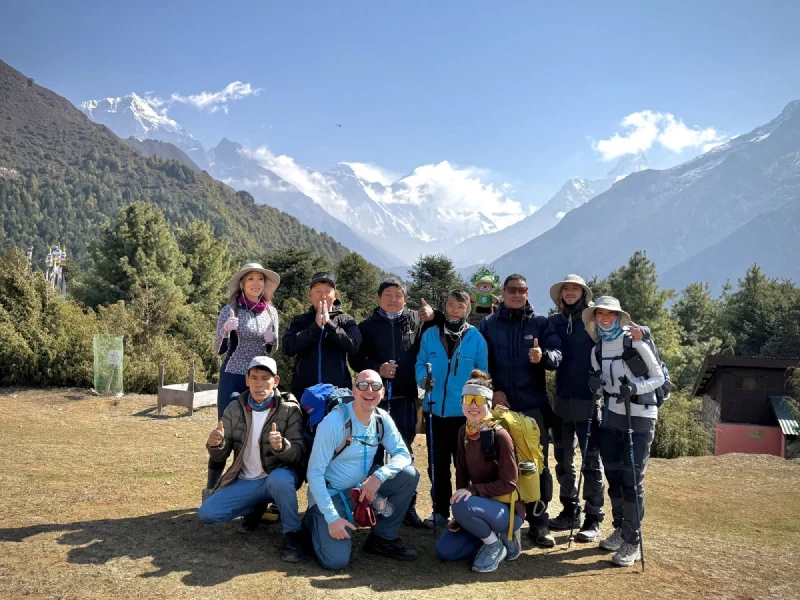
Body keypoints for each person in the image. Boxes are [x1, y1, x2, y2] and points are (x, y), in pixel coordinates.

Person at [303, 369, 420, 570]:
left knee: (409, 475)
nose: (369, 391)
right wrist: (332, 518)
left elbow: (403, 455)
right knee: (336, 561)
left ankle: (382, 539)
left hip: (362, 489)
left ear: (382, 392)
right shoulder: (333, 422)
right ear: (354, 391)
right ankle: (314, 521)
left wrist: (379, 476)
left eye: (375, 386)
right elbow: (314, 474)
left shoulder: (382, 418)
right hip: (331, 494)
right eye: (363, 385)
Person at [479, 273, 562, 547]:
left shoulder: (541, 323)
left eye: (522, 290)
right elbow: (481, 362)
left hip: (532, 406)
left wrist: (544, 358)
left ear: (527, 293)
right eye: (512, 289)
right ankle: (501, 521)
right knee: (497, 462)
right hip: (500, 407)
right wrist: (492, 390)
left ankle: (539, 523)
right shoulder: (488, 324)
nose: (517, 294)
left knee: (536, 466)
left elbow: (557, 355)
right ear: (502, 292)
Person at [198, 356, 306, 563]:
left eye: (265, 378)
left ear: (276, 381)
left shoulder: (289, 409)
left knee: (281, 480)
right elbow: (221, 455)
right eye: (254, 377)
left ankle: (293, 535)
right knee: (207, 514)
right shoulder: (234, 408)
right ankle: (256, 505)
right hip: (245, 480)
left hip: (275, 477)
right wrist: (215, 445)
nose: (259, 384)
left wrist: (282, 446)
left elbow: (299, 454)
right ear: (246, 380)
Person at [584, 296, 664, 567]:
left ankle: (633, 539)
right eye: (600, 315)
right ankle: (620, 529)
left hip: (640, 416)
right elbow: (602, 382)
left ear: (619, 317)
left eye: (610, 314)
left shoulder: (635, 342)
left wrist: (635, 389)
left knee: (632, 478)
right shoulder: (597, 349)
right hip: (612, 416)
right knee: (614, 475)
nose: (605, 319)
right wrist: (595, 384)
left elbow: (658, 378)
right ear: (595, 318)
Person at [349, 277, 435, 527]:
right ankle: (374, 504)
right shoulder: (367, 326)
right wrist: (377, 368)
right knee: (372, 454)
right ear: (379, 298)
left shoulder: (417, 321)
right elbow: (355, 360)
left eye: (399, 294)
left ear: (405, 299)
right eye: (388, 294)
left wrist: (433, 316)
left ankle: (407, 507)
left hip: (404, 398)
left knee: (404, 454)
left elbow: (438, 336)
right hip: (372, 402)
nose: (393, 299)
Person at [435, 370, 524, 573]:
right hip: (478, 507)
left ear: (488, 403)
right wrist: (461, 514)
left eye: (478, 400)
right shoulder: (463, 432)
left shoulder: (500, 435)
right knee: (445, 551)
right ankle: (489, 535)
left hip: (507, 510)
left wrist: (472, 494)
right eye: (468, 399)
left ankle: (495, 544)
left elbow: (510, 483)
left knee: (462, 505)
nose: (473, 405)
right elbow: (462, 473)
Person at [205, 263, 281, 501]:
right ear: (242, 283)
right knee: (225, 431)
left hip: (260, 379)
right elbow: (218, 348)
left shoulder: (271, 312)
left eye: (260, 279)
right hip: (234, 374)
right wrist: (226, 331)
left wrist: (272, 340)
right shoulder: (231, 310)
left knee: (257, 431)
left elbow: (272, 348)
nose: (256, 283)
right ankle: (212, 489)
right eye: (251, 279)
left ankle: (248, 488)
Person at [415, 289, 488, 529]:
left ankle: (462, 512)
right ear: (444, 306)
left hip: (464, 415)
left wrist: (475, 393)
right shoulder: (430, 334)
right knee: (436, 463)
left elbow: (483, 375)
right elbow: (419, 362)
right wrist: (423, 379)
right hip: (434, 410)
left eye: (460, 306)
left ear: (467, 309)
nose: (455, 310)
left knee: (463, 465)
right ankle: (439, 511)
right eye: (451, 305)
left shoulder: (476, 338)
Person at [547, 274, 605, 541]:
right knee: (563, 460)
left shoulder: (594, 323)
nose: (570, 292)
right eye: (566, 289)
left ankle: (594, 518)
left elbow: (617, 342)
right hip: (562, 400)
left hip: (589, 400)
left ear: (583, 294)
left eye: (575, 289)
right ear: (561, 295)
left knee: (591, 463)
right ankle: (570, 510)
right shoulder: (553, 323)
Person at [282, 272, 362, 399]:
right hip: (304, 391)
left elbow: (354, 345)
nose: (323, 296)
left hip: (338, 392)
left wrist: (329, 325)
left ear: (335, 295)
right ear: (310, 295)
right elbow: (288, 348)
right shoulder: (299, 321)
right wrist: (315, 327)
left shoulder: (346, 320)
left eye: (327, 291)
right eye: (318, 291)